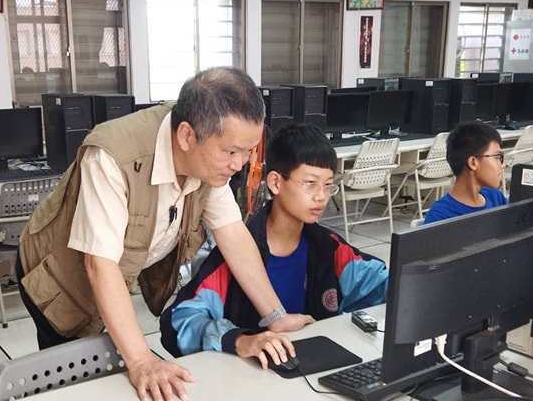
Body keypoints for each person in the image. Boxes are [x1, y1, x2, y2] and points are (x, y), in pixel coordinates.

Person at [15, 67, 312, 401]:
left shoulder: (205, 154)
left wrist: (276, 317)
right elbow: (99, 265)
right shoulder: (112, 156)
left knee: (117, 365)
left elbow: (233, 234)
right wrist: (142, 360)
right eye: (231, 152)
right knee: (72, 377)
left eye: (248, 151)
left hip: (113, 269)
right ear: (186, 136)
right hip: (55, 274)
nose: (240, 164)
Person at [160, 124, 389, 367]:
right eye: (310, 183)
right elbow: (178, 321)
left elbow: (385, 285)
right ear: (275, 182)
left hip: (314, 369)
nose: (321, 196)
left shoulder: (329, 249)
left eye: (327, 185)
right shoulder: (235, 255)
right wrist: (239, 340)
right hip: (250, 377)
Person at [423, 122, 507, 224]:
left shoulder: (496, 198)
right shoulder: (440, 216)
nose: (503, 165)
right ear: (473, 162)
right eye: (497, 157)